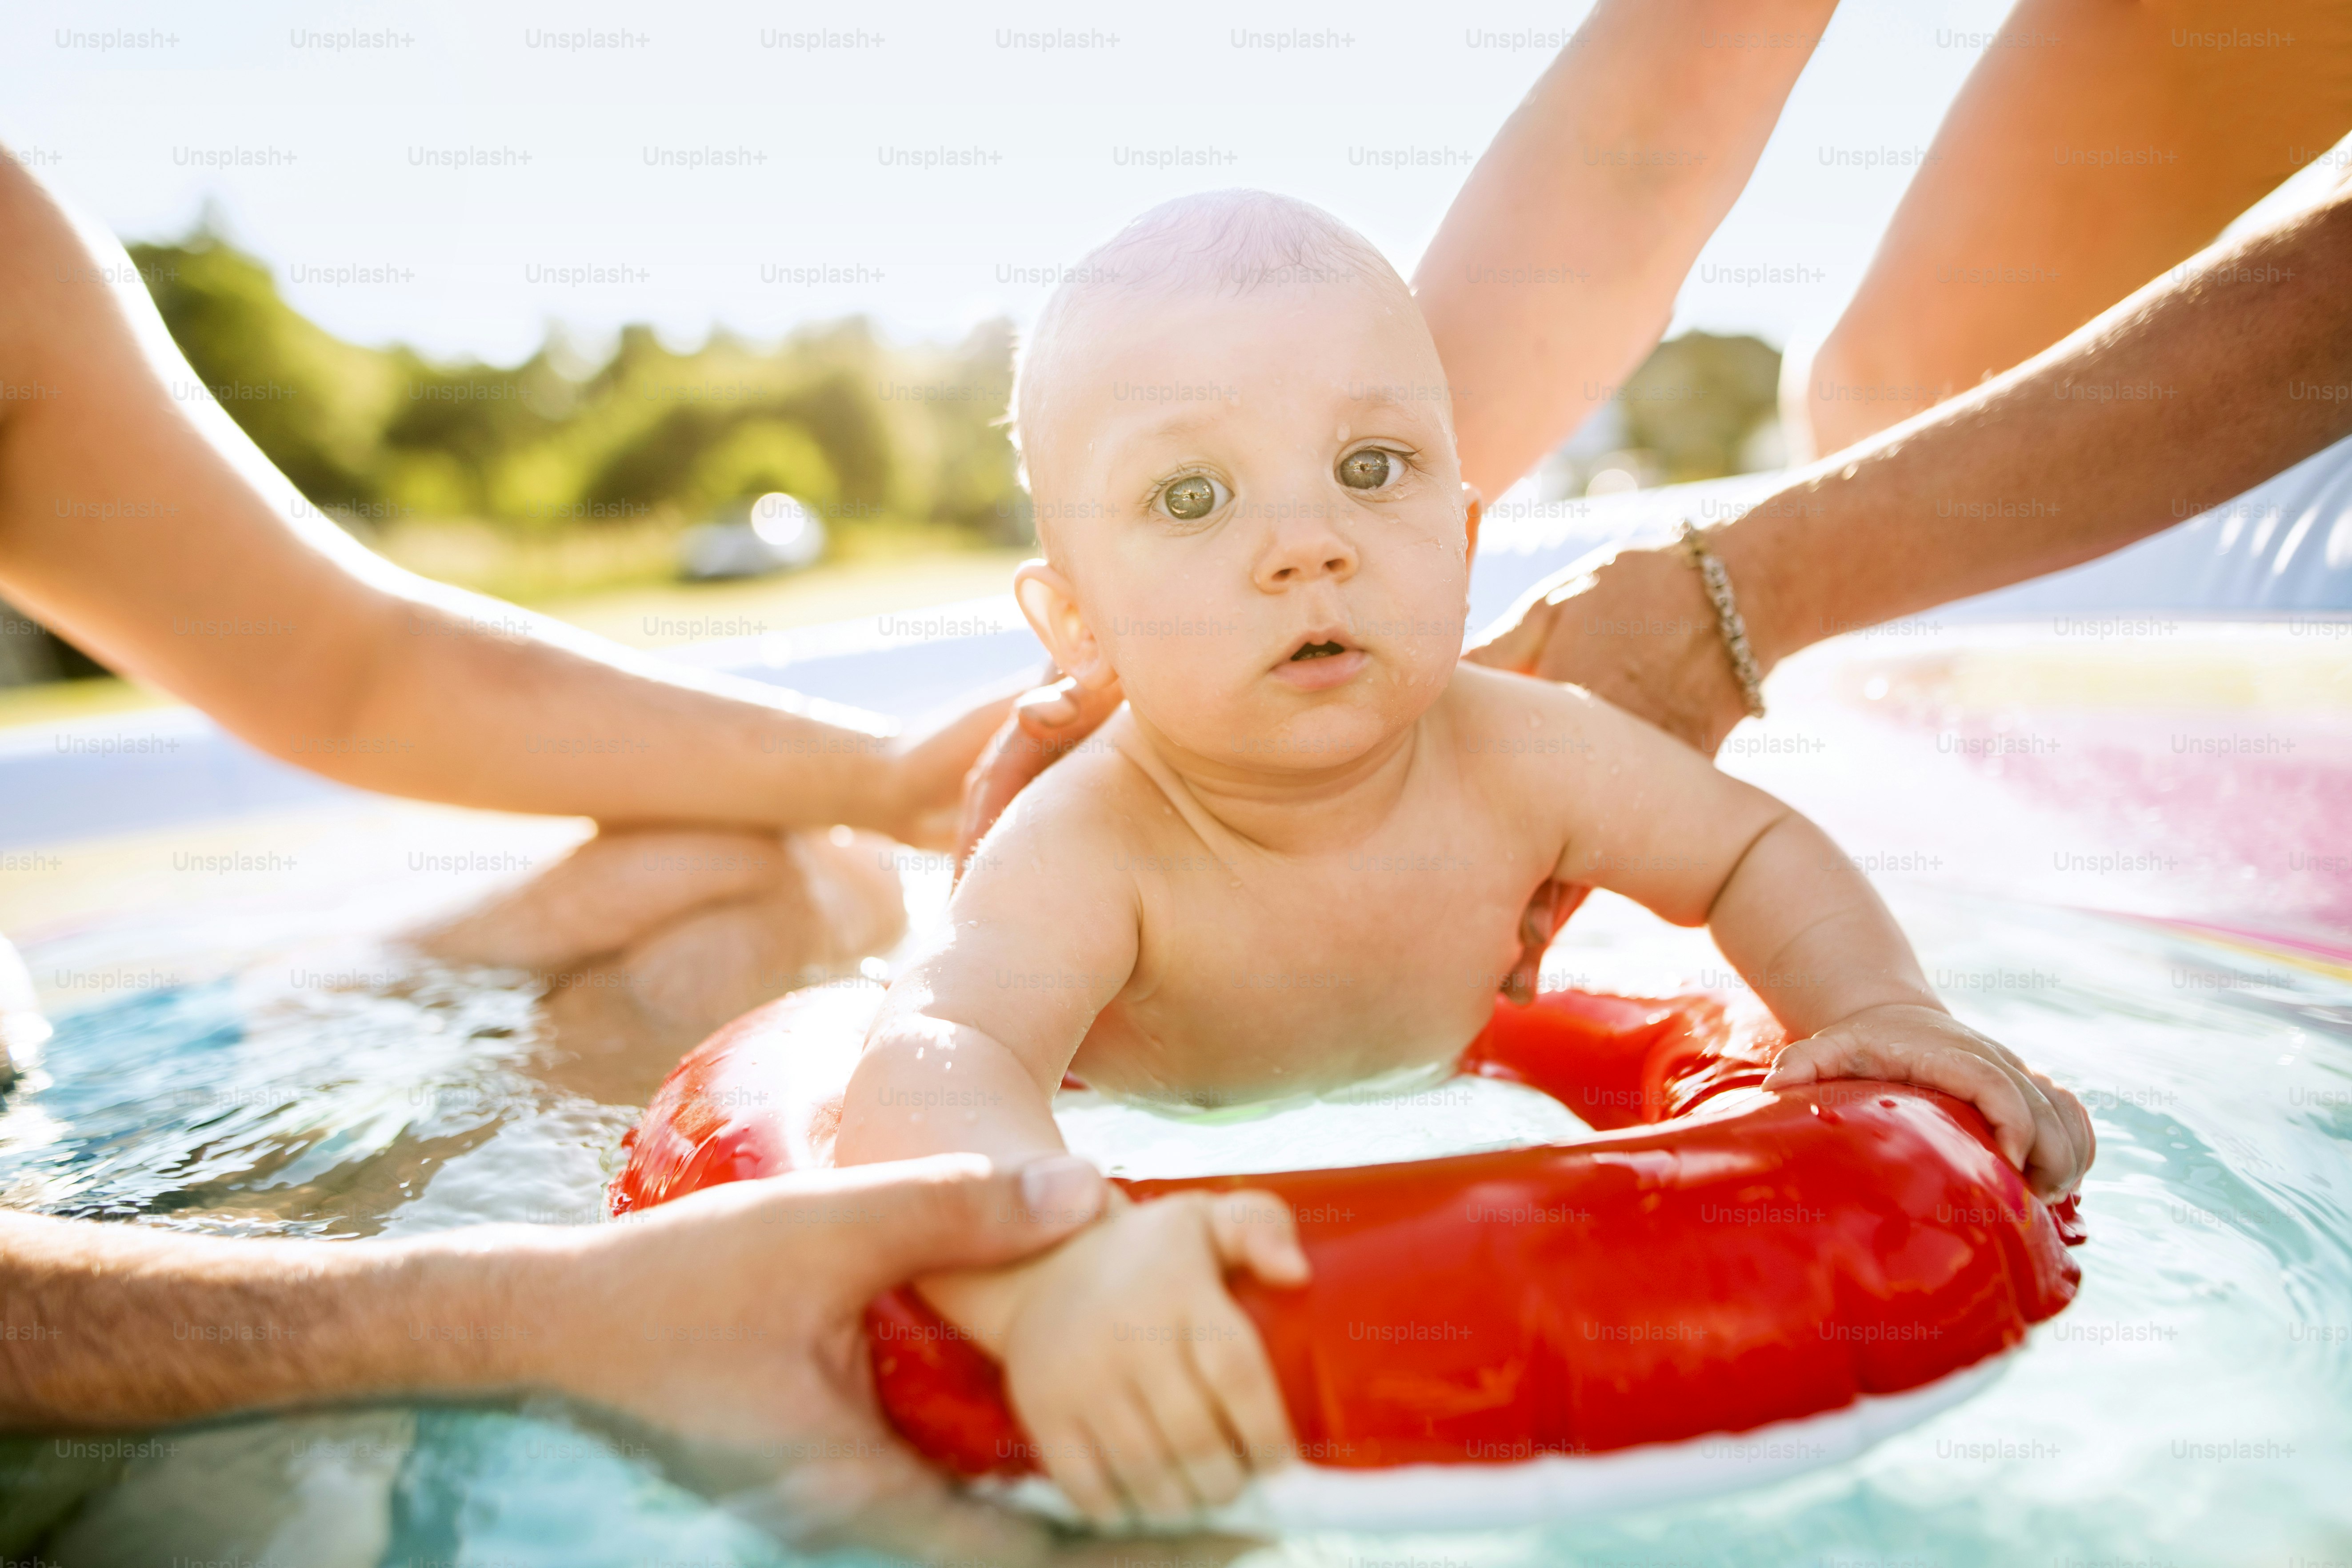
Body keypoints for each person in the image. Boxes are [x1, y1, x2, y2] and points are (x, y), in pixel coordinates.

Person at [830, 192, 2096, 1527]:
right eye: (1190, 495)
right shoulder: (1092, 843)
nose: (1307, 544)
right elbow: (939, 1053)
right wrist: (1051, 1275)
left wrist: (1875, 1006)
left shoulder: (1528, 754)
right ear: (1076, 622)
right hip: (1140, 1139)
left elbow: (1751, 849)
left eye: (1371, 469)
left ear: (1469, 535)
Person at [0, 151, 1015, 1043]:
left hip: (82, 1067)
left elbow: (358, 667)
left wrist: (887, 780)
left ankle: (344, 1049)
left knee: (782, 879)